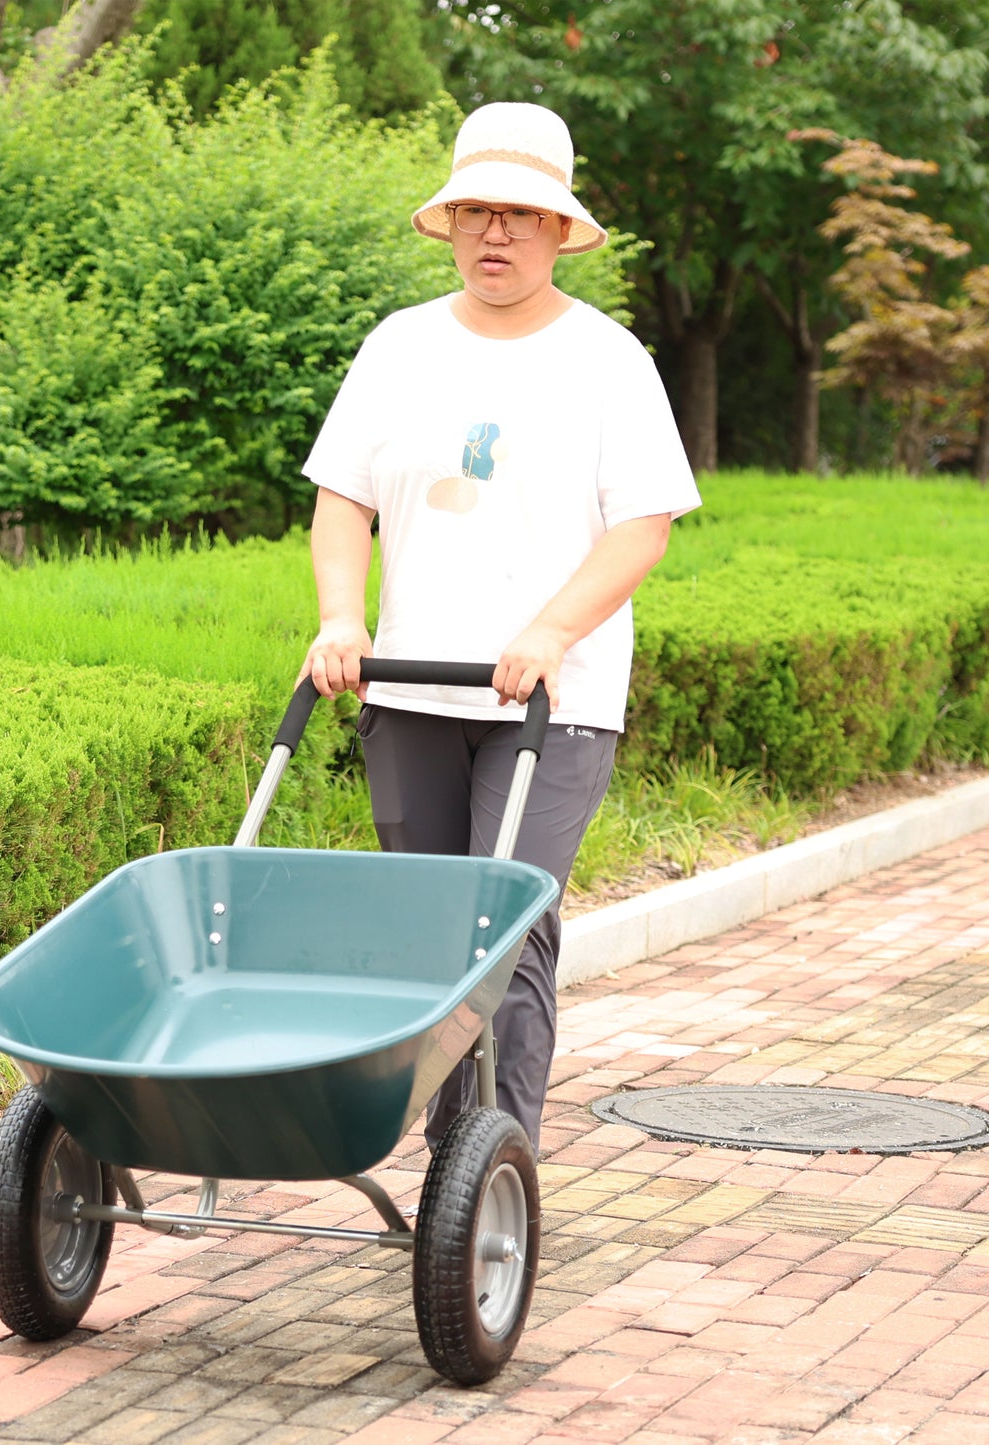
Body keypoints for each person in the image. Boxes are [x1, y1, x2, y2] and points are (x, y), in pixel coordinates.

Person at [300, 101, 701, 1156]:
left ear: (559, 230)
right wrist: (341, 616)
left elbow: (643, 527)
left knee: (507, 935)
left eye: (518, 214)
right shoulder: (397, 347)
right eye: (475, 208)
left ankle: (491, 1170)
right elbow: (342, 498)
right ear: (449, 220)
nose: (493, 232)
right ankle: (450, 1162)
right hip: (408, 690)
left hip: (551, 704)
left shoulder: (608, 360)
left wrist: (549, 628)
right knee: (429, 937)